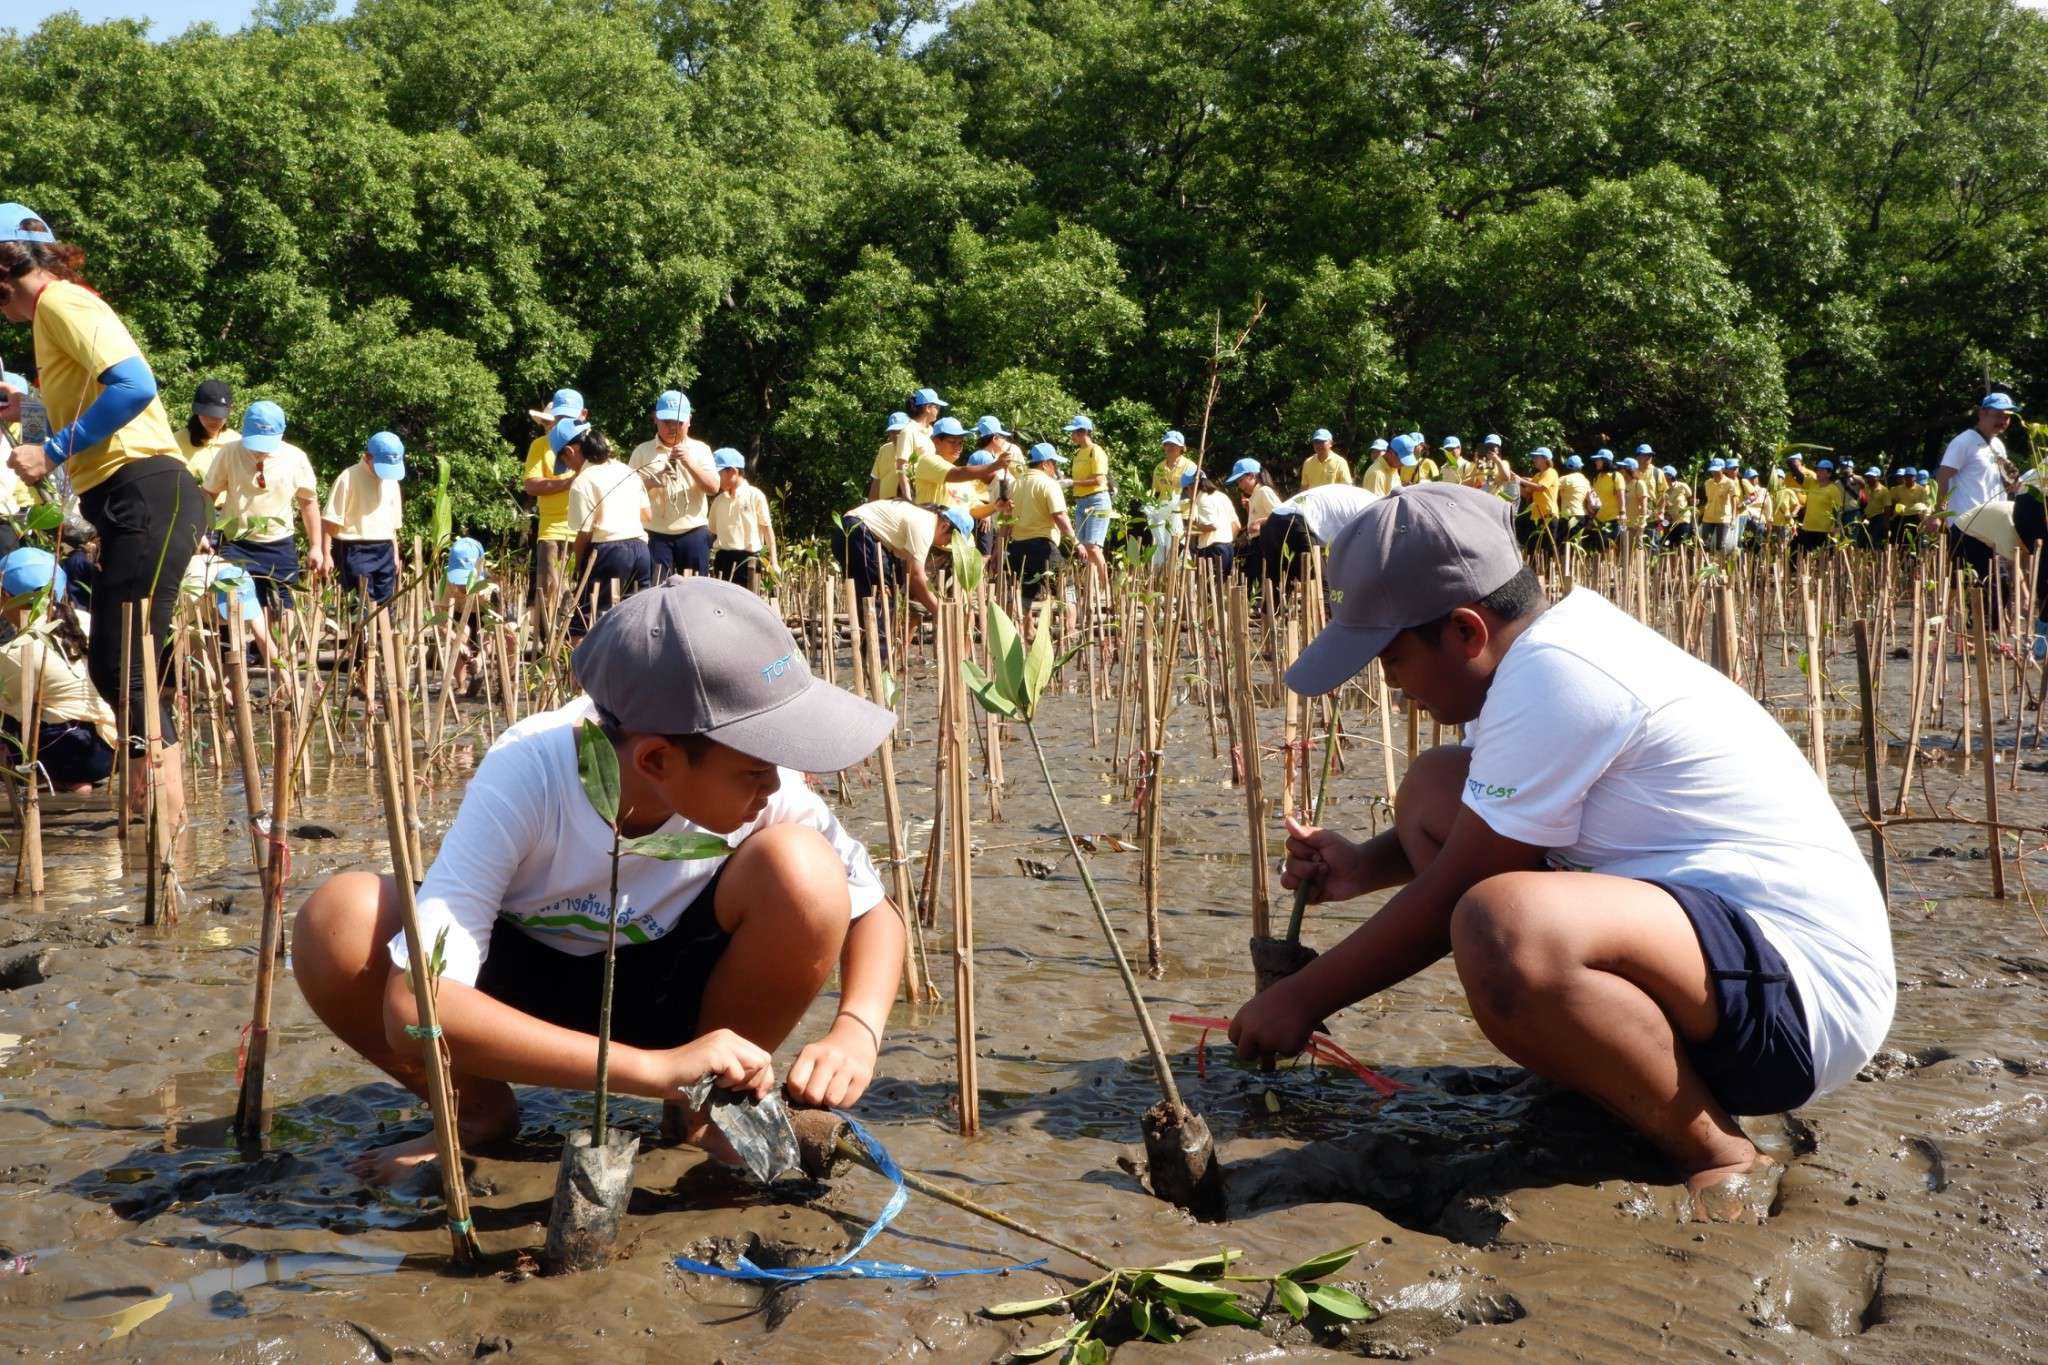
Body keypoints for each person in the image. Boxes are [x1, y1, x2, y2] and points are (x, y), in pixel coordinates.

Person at [1229, 484, 1893, 1209]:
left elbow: (1461, 889)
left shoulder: (1560, 675)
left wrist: (1301, 998)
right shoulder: (1531, 659)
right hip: (1720, 961)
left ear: (1465, 632)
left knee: (1501, 923)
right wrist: (1365, 865)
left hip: (1798, 1007)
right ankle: (1605, 1069)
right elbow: (1479, 830)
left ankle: (1717, 1151)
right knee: (1434, 786)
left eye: (1390, 658)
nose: (1388, 683)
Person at [292, 577, 906, 1180]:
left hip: (670, 991)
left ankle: (703, 1110)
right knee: (341, 917)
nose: (776, 782)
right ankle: (473, 1112)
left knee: (805, 871)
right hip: (520, 999)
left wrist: (856, 1029)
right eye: (755, 769)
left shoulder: (764, 785)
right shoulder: (529, 771)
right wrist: (651, 1070)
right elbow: (414, 1006)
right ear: (656, 759)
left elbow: (873, 912)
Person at [1, 202, 206, 830]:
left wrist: (52, 449)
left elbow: (135, 386)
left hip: (146, 490)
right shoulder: (53, 315)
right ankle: (154, 824)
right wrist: (27, 417)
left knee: (124, 664)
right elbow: (86, 403)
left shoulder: (61, 303)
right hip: (130, 496)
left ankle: (164, 829)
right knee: (119, 663)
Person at [0, 548, 116, 792]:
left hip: (70, 752)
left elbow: (10, 709)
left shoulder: (16, 651)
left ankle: (63, 780)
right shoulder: (89, 620)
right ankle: (72, 782)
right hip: (113, 747)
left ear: (5, 596)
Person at [202, 400, 326, 613]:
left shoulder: (296, 458)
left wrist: (316, 546)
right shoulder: (229, 452)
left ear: (281, 434)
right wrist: (201, 532)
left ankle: (280, 635)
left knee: (284, 611)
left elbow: (308, 503)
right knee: (235, 608)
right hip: (235, 543)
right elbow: (207, 494)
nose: (260, 449)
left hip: (279, 545)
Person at [1933, 393, 2019, 621]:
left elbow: (2002, 482)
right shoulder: (1964, 442)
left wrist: (2012, 482)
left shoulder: (1998, 445)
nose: (2003, 421)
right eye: (1998, 415)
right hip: (1968, 522)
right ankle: (1983, 629)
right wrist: (1939, 513)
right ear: (1982, 413)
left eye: (2007, 416)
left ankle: (1975, 625)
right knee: (1989, 579)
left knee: (1990, 579)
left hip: (1994, 523)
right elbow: (1943, 476)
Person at [562, 424, 650, 631]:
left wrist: (577, 566)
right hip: (641, 550)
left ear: (571, 452)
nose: (568, 467)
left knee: (587, 621)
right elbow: (648, 515)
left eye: (564, 461)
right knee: (636, 620)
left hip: (609, 551)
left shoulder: (583, 480)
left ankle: (584, 653)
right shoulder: (628, 471)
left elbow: (585, 533)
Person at [628, 390, 718, 582]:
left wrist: (689, 462)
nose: (672, 427)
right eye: (666, 422)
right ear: (655, 419)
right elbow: (626, 492)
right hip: (655, 534)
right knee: (657, 588)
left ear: (689, 421)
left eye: (678, 422)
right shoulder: (642, 451)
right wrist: (652, 481)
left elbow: (713, 488)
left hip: (694, 531)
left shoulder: (701, 450)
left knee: (695, 589)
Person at [836, 499, 970, 618]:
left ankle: (867, 637)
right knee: (878, 602)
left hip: (849, 529)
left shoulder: (921, 517)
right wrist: (940, 613)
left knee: (867, 600)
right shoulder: (925, 525)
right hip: (858, 531)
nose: (946, 545)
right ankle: (876, 638)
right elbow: (916, 577)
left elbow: (909, 572)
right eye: (949, 540)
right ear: (945, 526)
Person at [522, 388, 584, 632]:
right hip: (552, 530)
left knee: (580, 590)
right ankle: (547, 643)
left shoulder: (593, 443)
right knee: (550, 589)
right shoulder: (540, 445)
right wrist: (569, 482)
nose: (562, 423)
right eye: (559, 418)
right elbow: (531, 485)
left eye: (569, 418)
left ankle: (574, 639)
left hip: (586, 528)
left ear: (583, 415)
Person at [323, 431, 406, 610]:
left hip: (385, 548)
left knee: (386, 605)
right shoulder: (347, 477)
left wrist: (395, 553)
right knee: (360, 606)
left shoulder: (392, 481)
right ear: (367, 457)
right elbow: (330, 520)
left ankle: (385, 629)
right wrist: (326, 554)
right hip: (355, 548)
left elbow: (392, 524)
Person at [1007, 442, 1075, 608]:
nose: (1055, 468)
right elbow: (1059, 515)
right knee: (1067, 592)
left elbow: (1006, 519)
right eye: (1054, 464)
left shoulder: (1014, 484)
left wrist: (998, 549)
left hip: (1017, 547)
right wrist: (1075, 542)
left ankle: (1024, 625)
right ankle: (1071, 625)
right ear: (1045, 464)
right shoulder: (1049, 484)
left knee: (1025, 596)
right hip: (1043, 547)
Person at [708, 448, 776, 592]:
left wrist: (774, 563)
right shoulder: (718, 501)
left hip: (748, 561)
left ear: (733, 471)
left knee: (747, 600)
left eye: (719, 474)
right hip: (722, 559)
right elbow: (711, 532)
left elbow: (767, 530)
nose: (716, 478)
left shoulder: (755, 496)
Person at [1066, 415, 1113, 586]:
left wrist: (1072, 483)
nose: (1072, 436)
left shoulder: (1096, 451)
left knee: (1093, 546)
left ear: (1083, 432)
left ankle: (1105, 588)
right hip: (1081, 502)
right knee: (1084, 548)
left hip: (1097, 500)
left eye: (1073, 432)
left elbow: (1099, 480)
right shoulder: (1078, 453)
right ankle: (1090, 589)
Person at [879, 387, 947, 504]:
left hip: (930, 493)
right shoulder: (909, 431)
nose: (938, 410)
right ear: (928, 408)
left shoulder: (930, 431)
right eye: (937, 406)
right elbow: (902, 466)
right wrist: (908, 499)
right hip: (916, 495)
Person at [175, 379, 236, 484]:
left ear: (230, 410)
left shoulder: (236, 441)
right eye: (207, 414)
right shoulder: (176, 442)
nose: (212, 420)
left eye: (218, 416)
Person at [1188, 470, 1239, 576]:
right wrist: (1227, 542)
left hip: (1212, 549)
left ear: (1191, 487)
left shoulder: (1202, 499)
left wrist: (1192, 528)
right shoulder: (1222, 496)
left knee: (1209, 584)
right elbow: (1237, 525)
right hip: (1228, 548)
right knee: (1222, 583)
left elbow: (1211, 526)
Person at [1512, 448, 1559, 554]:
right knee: (1533, 549)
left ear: (1545, 459)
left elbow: (1540, 487)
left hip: (1548, 516)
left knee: (1546, 549)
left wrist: (1521, 480)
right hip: (1536, 516)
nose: (1534, 460)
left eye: (1536, 457)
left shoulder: (1551, 472)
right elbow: (1526, 493)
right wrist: (1515, 482)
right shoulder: (1537, 476)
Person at [1795, 461, 1845, 556]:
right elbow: (1799, 477)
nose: (1818, 473)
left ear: (1829, 474)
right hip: (1807, 528)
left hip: (1824, 530)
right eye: (1817, 470)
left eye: (1822, 471)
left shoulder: (1833, 489)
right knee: (1805, 556)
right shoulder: (1812, 484)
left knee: (1823, 557)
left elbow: (1838, 510)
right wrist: (1792, 462)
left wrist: (1836, 527)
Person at [867, 411, 912, 501]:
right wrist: (871, 506)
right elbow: (876, 481)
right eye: (893, 432)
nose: (896, 435)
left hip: (908, 505)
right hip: (885, 506)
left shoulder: (917, 450)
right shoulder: (884, 450)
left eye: (900, 431)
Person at [1589, 449, 1624, 549]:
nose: (1596, 462)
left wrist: (1622, 513)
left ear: (1605, 461)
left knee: (1611, 546)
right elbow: (1595, 498)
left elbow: (1621, 496)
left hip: (1613, 518)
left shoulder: (1616, 476)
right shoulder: (1597, 477)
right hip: (1599, 518)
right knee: (1601, 548)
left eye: (1598, 460)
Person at [1662, 465, 1695, 546]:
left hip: (1683, 519)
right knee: (1667, 544)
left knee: (1681, 543)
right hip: (1670, 521)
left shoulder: (1682, 486)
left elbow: (1691, 498)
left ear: (1670, 476)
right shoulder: (1663, 489)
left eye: (1664, 475)